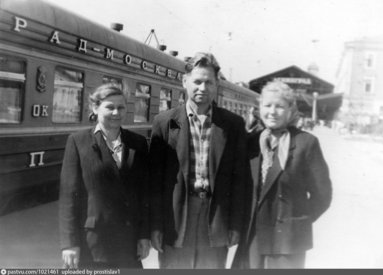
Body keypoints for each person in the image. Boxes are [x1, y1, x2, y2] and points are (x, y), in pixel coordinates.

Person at [149, 52, 247, 269]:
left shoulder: (233, 124)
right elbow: (154, 183)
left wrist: (235, 225)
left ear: (216, 85)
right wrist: (155, 226)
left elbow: (240, 181)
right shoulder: (164, 122)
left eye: (209, 82)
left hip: (216, 217)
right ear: (184, 81)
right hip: (176, 217)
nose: (203, 88)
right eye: (197, 81)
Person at [233, 80, 332, 269]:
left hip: (287, 242)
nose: (272, 111)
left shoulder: (306, 143)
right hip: (252, 238)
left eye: (279, 106)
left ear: (290, 110)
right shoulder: (251, 142)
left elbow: (323, 195)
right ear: (259, 108)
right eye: (267, 105)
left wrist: (297, 221)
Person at [59, 84, 150, 269]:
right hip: (92, 243)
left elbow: (144, 195)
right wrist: (69, 243)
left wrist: (144, 235)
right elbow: (68, 197)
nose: (116, 112)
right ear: (95, 108)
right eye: (110, 107)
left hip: (128, 241)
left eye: (121, 107)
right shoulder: (78, 141)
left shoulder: (138, 143)